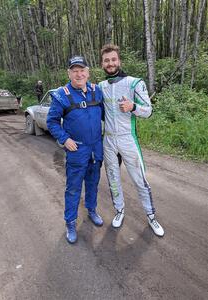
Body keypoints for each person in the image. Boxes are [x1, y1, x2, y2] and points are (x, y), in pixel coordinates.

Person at [99, 44, 164, 237]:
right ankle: (120, 210)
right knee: (113, 179)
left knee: (140, 180)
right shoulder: (100, 87)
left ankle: (151, 216)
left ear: (119, 61)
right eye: (106, 60)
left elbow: (148, 111)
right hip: (108, 141)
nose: (110, 63)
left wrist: (133, 106)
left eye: (113, 59)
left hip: (128, 139)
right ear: (102, 64)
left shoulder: (135, 83)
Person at [47, 56, 104, 244]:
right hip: (77, 149)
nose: (79, 74)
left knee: (93, 183)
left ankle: (92, 210)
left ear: (88, 72)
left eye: (82, 70)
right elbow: (52, 122)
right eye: (75, 70)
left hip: (96, 148)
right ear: (69, 73)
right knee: (73, 188)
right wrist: (65, 139)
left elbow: (108, 116)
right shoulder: (61, 95)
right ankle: (70, 222)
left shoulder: (97, 92)